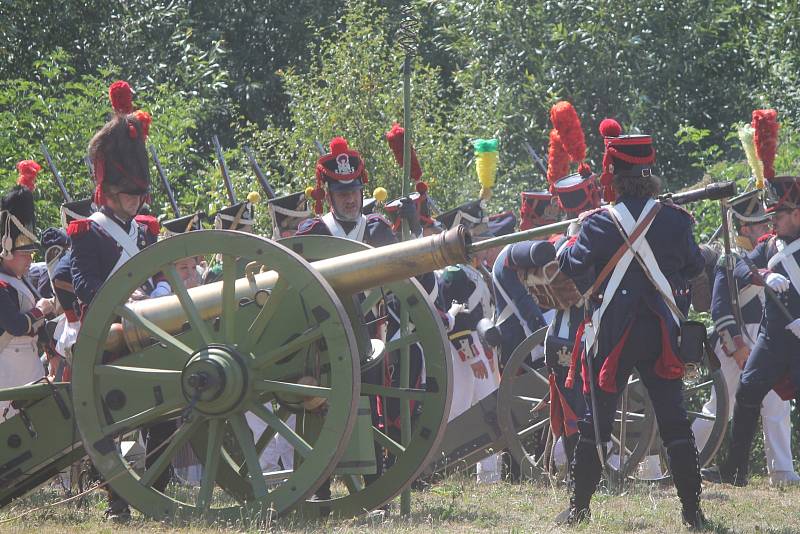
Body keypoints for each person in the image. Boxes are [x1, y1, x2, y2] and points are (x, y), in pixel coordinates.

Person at [557, 119, 706, 528]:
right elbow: (695, 265)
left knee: (595, 425)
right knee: (675, 423)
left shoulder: (597, 223)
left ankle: (579, 510)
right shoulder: (676, 220)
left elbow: (570, 263)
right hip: (661, 333)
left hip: (613, 334)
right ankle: (693, 513)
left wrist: (572, 234)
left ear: (615, 177)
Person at [68, 80, 165, 521]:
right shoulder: (87, 232)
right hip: (106, 337)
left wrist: (157, 293)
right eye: (128, 194)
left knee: (169, 411)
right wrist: (126, 295)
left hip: (150, 330)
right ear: (107, 191)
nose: (135, 201)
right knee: (110, 422)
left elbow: (164, 276)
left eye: (139, 194)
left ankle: (156, 492)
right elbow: (84, 285)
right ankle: (117, 501)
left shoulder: (146, 230)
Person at [699, 189, 799, 486]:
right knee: (745, 397)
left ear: (796, 214)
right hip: (771, 340)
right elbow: (740, 263)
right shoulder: (770, 246)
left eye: (777, 216)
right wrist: (764, 274)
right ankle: (735, 471)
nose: (771, 223)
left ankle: (782, 469)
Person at [0, 160, 52, 418]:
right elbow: (17, 325)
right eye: (24, 253)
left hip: (29, 367)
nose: (30, 258)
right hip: (7, 372)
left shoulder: (20, 278)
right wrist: (41, 310)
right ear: (7, 248)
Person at [297, 136, 395, 247]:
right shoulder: (313, 234)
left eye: (354, 192)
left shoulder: (378, 230)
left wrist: (415, 229)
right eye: (342, 194)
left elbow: (404, 262)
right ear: (329, 198)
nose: (350, 199)